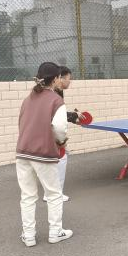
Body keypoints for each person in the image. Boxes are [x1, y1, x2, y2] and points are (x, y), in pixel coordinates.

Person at [16, 62, 73, 246]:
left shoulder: (27, 100)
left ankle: (29, 235)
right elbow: (59, 128)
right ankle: (55, 232)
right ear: (55, 79)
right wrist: (61, 142)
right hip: (44, 154)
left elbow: (21, 123)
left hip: (23, 152)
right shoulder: (56, 101)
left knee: (27, 196)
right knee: (54, 194)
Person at [46, 66, 81, 203]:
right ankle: (55, 194)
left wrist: (73, 117)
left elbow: (58, 114)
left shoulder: (55, 92)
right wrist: (61, 141)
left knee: (55, 161)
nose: (70, 82)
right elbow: (55, 116)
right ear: (59, 78)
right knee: (61, 158)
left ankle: (51, 193)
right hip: (50, 133)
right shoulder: (54, 93)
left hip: (42, 134)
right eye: (69, 79)